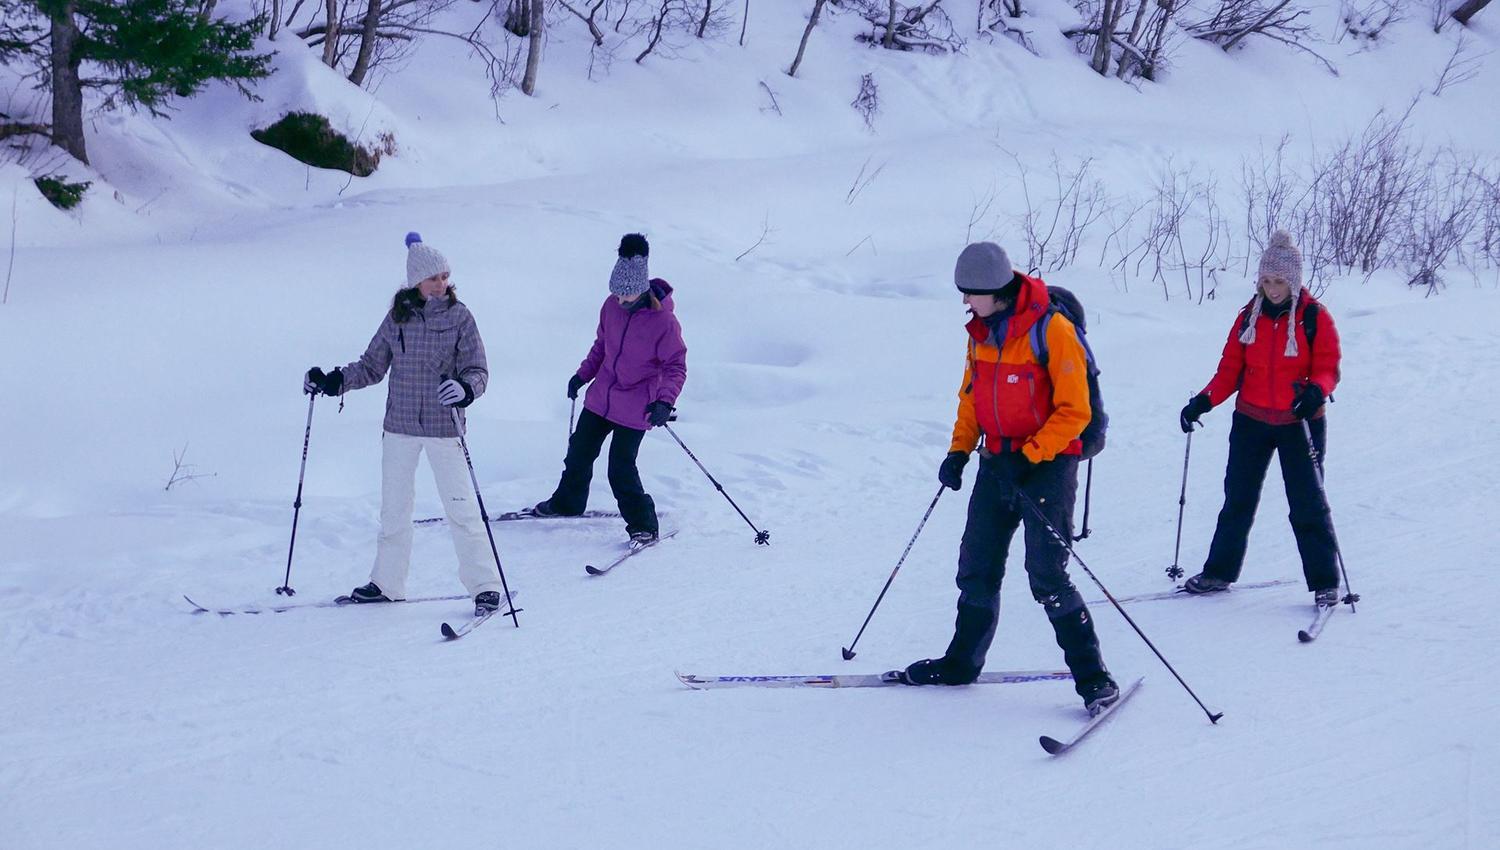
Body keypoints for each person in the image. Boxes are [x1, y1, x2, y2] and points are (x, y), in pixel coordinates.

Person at [900, 242, 1119, 717]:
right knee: (976, 566)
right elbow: (971, 398)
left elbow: (1075, 411)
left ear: (995, 291)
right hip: (996, 464)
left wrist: (1033, 454)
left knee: (1046, 574)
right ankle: (962, 663)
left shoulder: (1052, 331)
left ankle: (1095, 680)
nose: (964, 303)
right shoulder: (980, 333)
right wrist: (959, 451)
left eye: (970, 294)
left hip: (1049, 466)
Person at [304, 232, 507, 616]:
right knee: (394, 510)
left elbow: (478, 369)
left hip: (444, 428)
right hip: (399, 427)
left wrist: (466, 389)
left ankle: (485, 586)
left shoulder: (460, 316)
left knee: (461, 509)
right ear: (416, 282)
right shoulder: (398, 318)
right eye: (434, 278)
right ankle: (387, 583)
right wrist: (332, 381)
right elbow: (371, 366)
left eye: (445, 276)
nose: (442, 284)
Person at [1178, 230, 1343, 607]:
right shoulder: (1246, 319)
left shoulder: (1314, 317)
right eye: (1266, 281)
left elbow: (1328, 367)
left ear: (1294, 281)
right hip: (1251, 420)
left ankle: (1325, 582)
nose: (1272, 289)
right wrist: (1203, 401)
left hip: (1299, 422)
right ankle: (1219, 572)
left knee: (1307, 504)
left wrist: (1316, 390)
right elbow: (1229, 370)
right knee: (1237, 499)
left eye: (1279, 281)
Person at [531, 233, 687, 546]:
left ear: (641, 291)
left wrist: (664, 401)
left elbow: (676, 366)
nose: (619, 301)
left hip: (637, 405)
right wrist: (582, 375)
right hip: (602, 396)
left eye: (625, 297)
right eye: (615, 294)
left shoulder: (664, 323)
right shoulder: (611, 307)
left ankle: (643, 523)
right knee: (579, 452)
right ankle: (567, 502)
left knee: (620, 468)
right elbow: (602, 346)